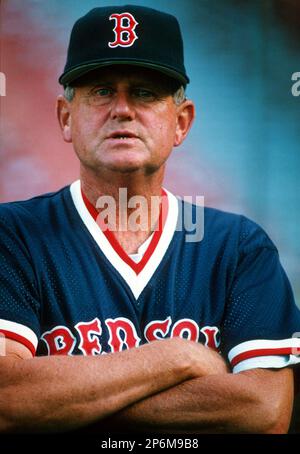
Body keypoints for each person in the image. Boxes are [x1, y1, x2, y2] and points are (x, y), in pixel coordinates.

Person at [0, 4, 299, 434]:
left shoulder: (239, 247)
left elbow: (265, 411)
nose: (122, 110)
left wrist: (72, 403)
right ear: (66, 118)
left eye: (145, 92)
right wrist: (176, 357)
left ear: (181, 122)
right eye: (102, 91)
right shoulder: (14, 235)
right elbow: (9, 400)